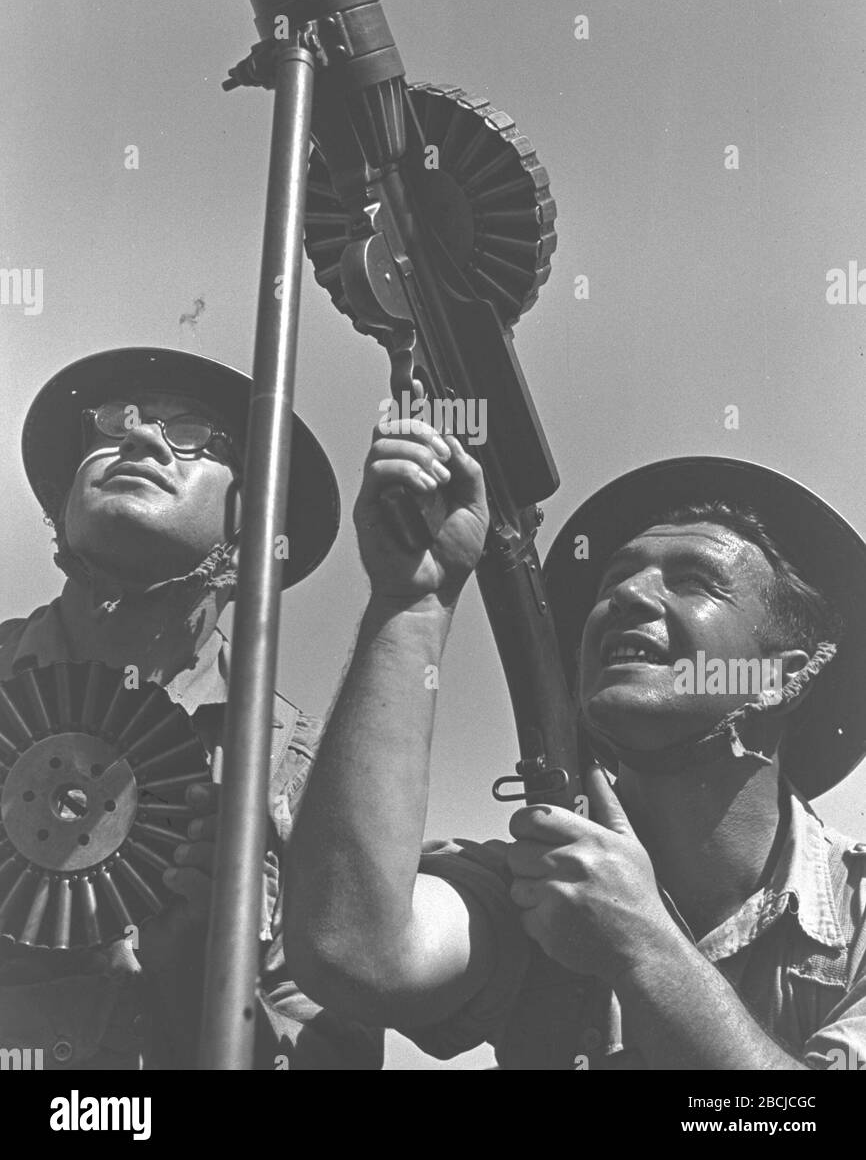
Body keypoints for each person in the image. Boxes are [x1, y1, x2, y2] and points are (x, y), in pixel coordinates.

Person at [285, 422, 866, 1070]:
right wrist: (412, 603)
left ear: (781, 675)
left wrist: (643, 947)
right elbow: (354, 949)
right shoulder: (538, 884)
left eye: (694, 580)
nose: (627, 595)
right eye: (617, 576)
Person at [0, 345, 382, 1070]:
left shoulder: (292, 773)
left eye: (194, 434)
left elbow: (337, 1056)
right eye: (114, 423)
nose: (141, 437)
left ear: (251, 545)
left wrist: (197, 975)